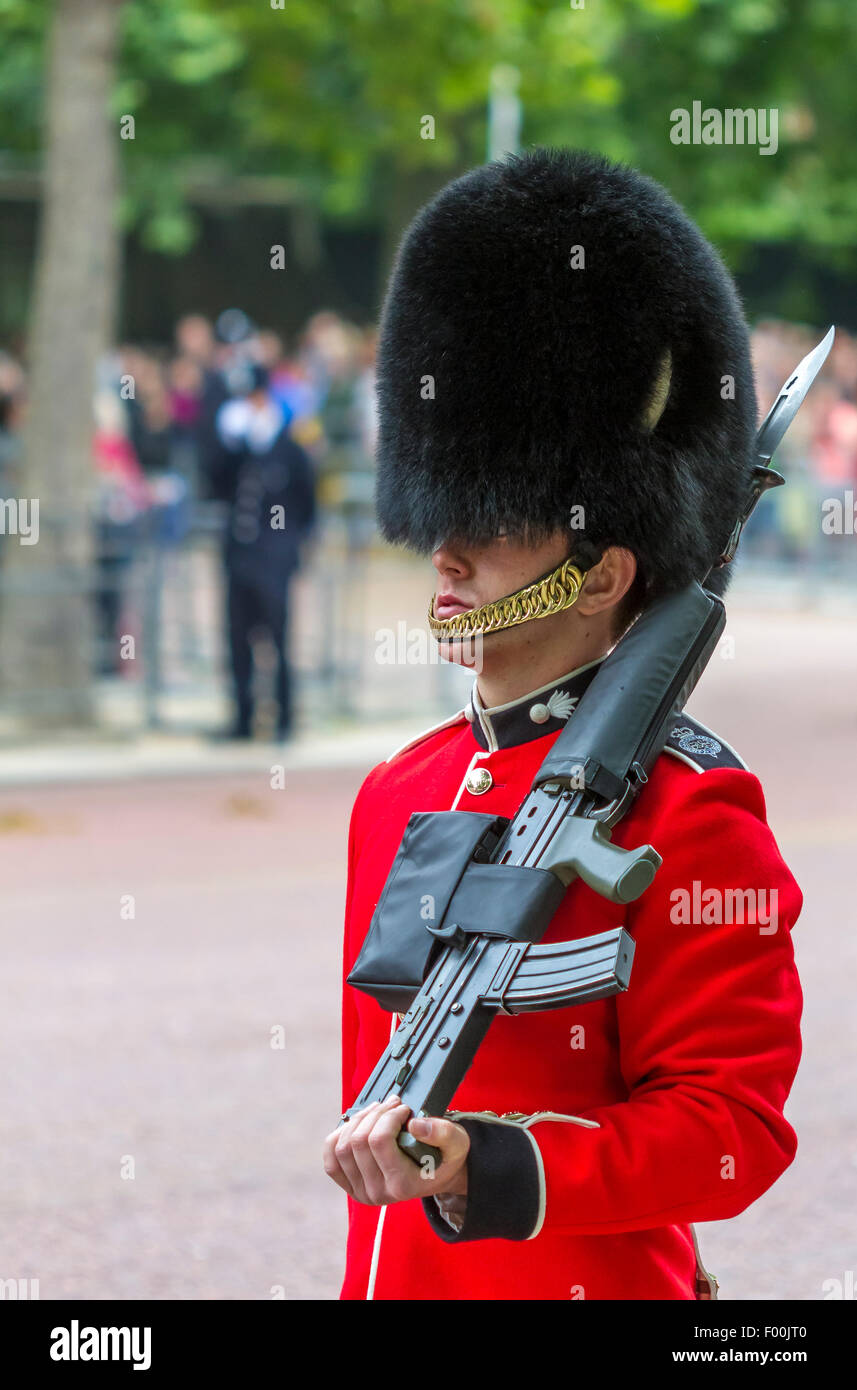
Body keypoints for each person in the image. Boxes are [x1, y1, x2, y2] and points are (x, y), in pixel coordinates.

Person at [323, 149, 803, 1301]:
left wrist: (503, 1161)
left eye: (494, 517)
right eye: (447, 504)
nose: (447, 546)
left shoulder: (693, 809)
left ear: (600, 573)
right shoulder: (397, 790)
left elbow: (732, 1130)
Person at [209, 363, 316, 740]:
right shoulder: (238, 447)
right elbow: (215, 484)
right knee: (237, 639)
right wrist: (230, 444)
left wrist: (291, 551)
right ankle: (242, 719)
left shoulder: (289, 449)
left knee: (278, 639)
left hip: (274, 560)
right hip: (238, 555)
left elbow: (306, 506)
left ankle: (284, 718)